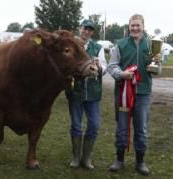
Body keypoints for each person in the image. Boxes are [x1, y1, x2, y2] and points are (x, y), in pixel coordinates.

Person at [108, 14, 161, 175]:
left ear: (143, 27)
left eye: (138, 25)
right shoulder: (120, 44)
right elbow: (112, 66)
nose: (135, 28)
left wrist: (157, 64)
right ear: (129, 26)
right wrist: (121, 74)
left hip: (143, 94)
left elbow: (157, 71)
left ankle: (140, 161)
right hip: (123, 92)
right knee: (122, 127)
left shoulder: (152, 46)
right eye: (132, 25)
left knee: (141, 129)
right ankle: (119, 160)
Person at [66, 19, 107, 170]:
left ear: (92, 33)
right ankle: (76, 158)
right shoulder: (71, 46)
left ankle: (86, 158)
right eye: (85, 29)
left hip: (93, 93)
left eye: (90, 30)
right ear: (79, 28)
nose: (86, 32)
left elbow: (105, 68)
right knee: (76, 125)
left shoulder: (98, 48)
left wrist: (99, 66)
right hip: (75, 92)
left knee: (94, 125)